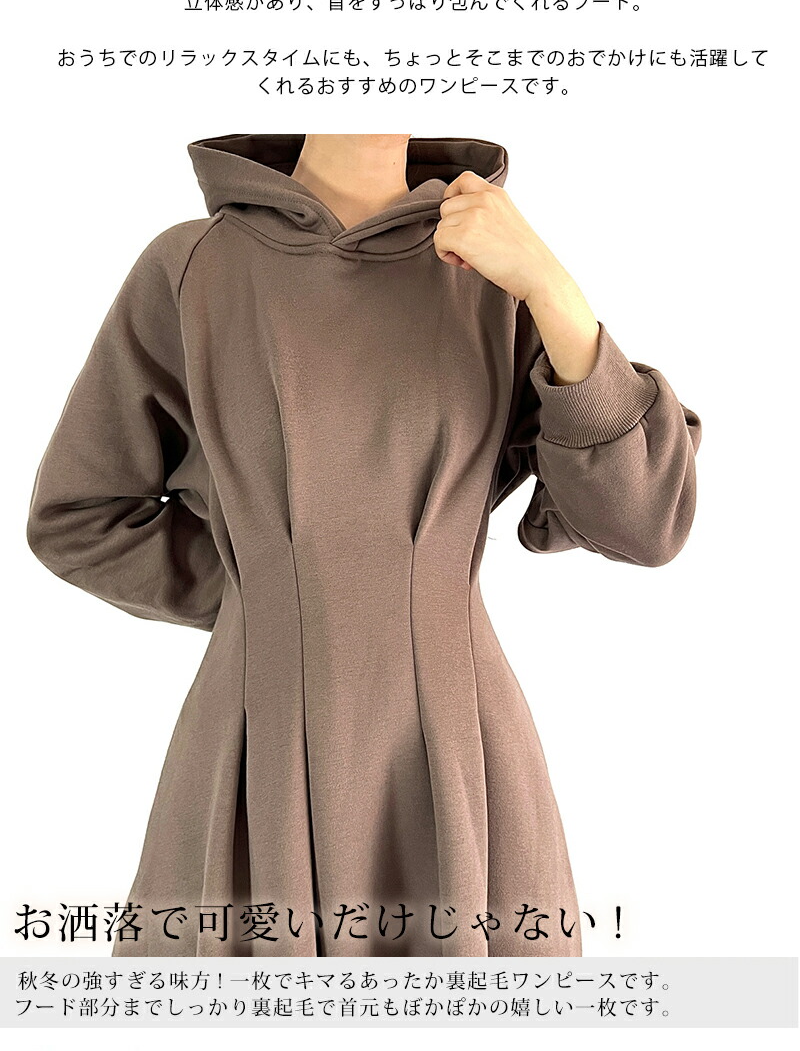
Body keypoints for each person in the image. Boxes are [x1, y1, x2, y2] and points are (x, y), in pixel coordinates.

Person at [27, 131, 702, 958]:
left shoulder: (495, 269)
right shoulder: (192, 268)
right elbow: (78, 513)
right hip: (256, 742)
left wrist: (553, 291)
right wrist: (265, 591)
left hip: (457, 751)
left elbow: (647, 521)